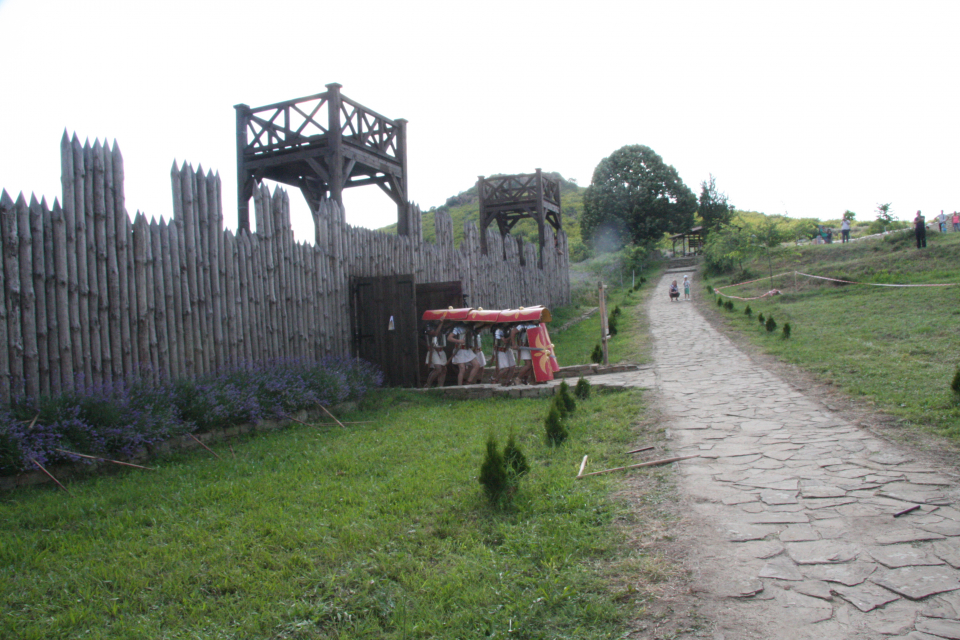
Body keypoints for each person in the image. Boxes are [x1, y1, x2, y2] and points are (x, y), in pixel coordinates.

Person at [423, 320, 448, 388]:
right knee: (438, 369)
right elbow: (435, 334)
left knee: (443, 370)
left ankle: (441, 387)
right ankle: (428, 385)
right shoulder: (429, 326)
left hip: (441, 350)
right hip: (433, 350)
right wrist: (441, 323)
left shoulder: (441, 327)